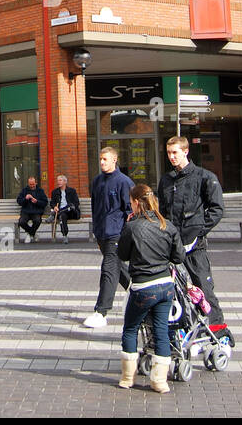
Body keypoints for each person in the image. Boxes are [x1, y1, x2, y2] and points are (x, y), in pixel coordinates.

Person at [116, 183, 185, 393]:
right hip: (165, 285)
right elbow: (179, 256)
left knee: (130, 329)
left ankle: (128, 378)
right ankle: (159, 381)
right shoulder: (167, 225)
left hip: (143, 286)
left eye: (131, 202)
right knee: (161, 330)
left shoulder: (132, 226)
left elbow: (122, 255)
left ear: (137, 203)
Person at [156, 136, 226, 325]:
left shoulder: (205, 177)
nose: (171, 157)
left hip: (194, 247)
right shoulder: (166, 180)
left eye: (175, 153)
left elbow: (217, 209)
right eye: (169, 153)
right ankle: (185, 331)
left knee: (204, 289)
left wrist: (199, 232)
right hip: (172, 247)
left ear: (186, 151)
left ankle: (218, 332)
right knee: (176, 292)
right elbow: (162, 212)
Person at [82, 146, 133, 329]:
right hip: (102, 233)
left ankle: (101, 311)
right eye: (100, 159)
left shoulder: (124, 182)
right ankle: (136, 290)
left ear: (114, 160)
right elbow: (96, 208)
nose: (102, 162)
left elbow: (130, 210)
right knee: (117, 268)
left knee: (108, 269)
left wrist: (127, 235)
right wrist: (96, 232)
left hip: (117, 233)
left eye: (105, 159)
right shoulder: (96, 182)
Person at [15, 176, 48, 244]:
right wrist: (25, 199)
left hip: (36, 211)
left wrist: (37, 202)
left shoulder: (40, 191)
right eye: (30, 184)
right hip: (26, 211)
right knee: (21, 222)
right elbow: (19, 201)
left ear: (36, 183)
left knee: (37, 220)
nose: (32, 186)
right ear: (28, 183)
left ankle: (29, 234)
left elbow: (45, 202)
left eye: (33, 184)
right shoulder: (24, 190)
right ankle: (33, 233)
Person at [49, 174, 81, 243]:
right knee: (62, 215)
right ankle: (64, 236)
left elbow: (76, 203)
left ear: (65, 182)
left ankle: (54, 215)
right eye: (58, 181)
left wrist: (58, 211)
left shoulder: (72, 191)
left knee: (70, 206)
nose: (58, 182)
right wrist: (54, 207)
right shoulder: (55, 192)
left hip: (72, 212)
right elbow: (52, 203)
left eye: (60, 180)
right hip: (63, 213)